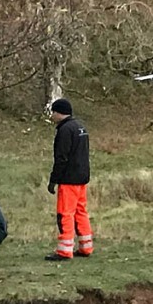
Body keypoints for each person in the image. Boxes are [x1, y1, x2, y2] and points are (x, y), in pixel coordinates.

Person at [46, 98, 93, 261]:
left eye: (53, 112)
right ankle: (86, 246)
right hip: (82, 177)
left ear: (59, 112)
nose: (52, 116)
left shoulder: (65, 130)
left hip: (69, 179)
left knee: (65, 213)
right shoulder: (80, 127)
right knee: (81, 212)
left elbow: (61, 157)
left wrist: (54, 179)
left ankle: (65, 250)